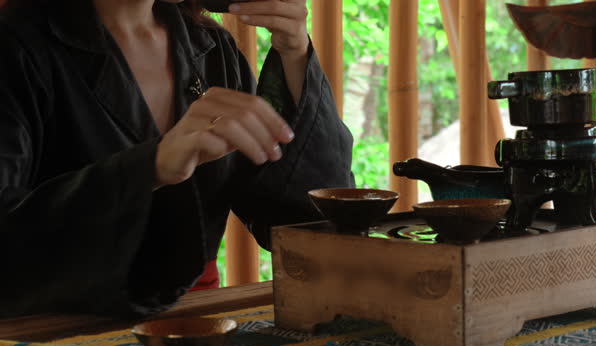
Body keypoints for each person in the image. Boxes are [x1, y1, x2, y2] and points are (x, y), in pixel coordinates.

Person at [0, 0, 354, 318]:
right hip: (51, 334)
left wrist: (294, 52)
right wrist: (151, 168)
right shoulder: (16, 49)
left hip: (197, 324)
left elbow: (304, 223)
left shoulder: (211, 47)